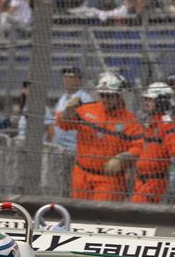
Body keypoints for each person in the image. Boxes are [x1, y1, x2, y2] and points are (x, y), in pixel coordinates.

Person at [56, 71, 143, 202]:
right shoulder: (87, 109)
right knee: (78, 216)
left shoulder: (130, 121)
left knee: (101, 218)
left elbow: (139, 147)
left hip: (109, 180)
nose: (106, 99)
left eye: (110, 96)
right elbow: (64, 124)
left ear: (119, 95)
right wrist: (67, 111)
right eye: (103, 95)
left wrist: (122, 158)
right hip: (81, 175)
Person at [130, 83, 175, 204]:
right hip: (140, 178)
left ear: (161, 102)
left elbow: (173, 141)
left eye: (150, 100)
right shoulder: (149, 121)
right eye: (146, 99)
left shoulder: (165, 123)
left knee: (136, 208)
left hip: (154, 181)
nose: (146, 102)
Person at [46, 67, 95, 192]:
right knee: (59, 184)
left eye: (71, 77)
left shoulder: (84, 99)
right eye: (65, 77)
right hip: (59, 149)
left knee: (71, 184)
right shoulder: (63, 98)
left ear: (79, 80)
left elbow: (89, 123)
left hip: (74, 150)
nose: (67, 80)